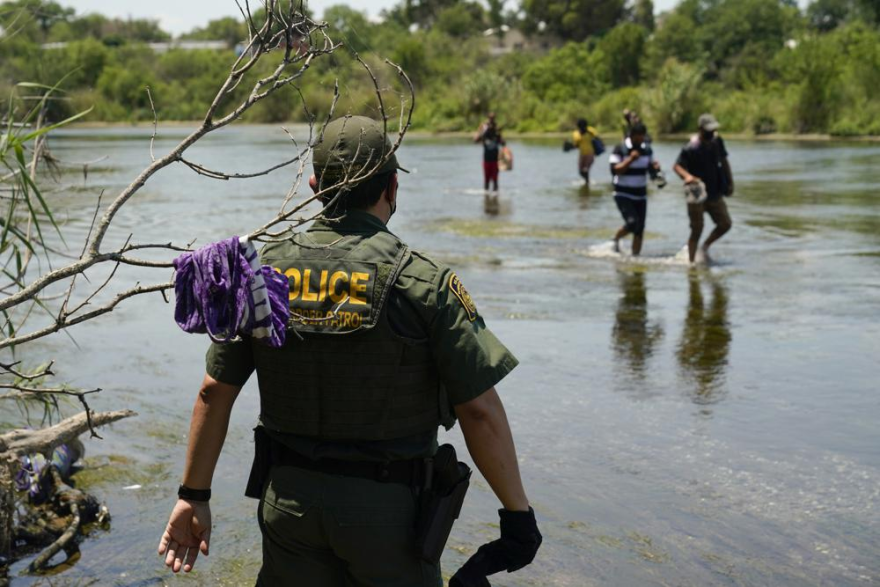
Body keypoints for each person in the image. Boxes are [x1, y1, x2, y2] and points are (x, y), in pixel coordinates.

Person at [157, 116, 541, 586]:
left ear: (316, 187)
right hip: (390, 518)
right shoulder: (424, 283)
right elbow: (479, 411)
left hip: (288, 505)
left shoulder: (260, 275)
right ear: (393, 188)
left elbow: (213, 392)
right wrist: (517, 515)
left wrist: (193, 495)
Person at [673, 113, 734, 264]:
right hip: (696, 191)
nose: (711, 134)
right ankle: (691, 264)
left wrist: (730, 182)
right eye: (708, 131)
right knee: (697, 229)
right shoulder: (690, 148)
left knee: (725, 224)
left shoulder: (717, 142)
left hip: (715, 191)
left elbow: (724, 161)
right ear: (700, 129)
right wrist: (687, 177)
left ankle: (705, 247)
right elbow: (677, 166)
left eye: (713, 130)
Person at [609, 122, 660, 256]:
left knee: (639, 229)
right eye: (638, 137)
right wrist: (630, 159)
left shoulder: (647, 150)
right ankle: (615, 239)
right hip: (622, 193)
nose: (640, 140)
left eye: (642, 137)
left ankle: (635, 258)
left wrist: (655, 168)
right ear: (631, 136)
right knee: (632, 223)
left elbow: (651, 172)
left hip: (641, 194)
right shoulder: (620, 149)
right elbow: (615, 170)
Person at [474, 112, 505, 192]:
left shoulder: (496, 129)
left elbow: (503, 143)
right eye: (490, 119)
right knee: (486, 181)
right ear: (488, 118)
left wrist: (498, 135)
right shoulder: (484, 128)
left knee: (495, 182)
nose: (491, 121)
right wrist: (483, 132)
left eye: (493, 119)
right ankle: (487, 200)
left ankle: (495, 199)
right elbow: (475, 140)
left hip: (495, 160)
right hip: (486, 159)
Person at [571, 118, 600, 184]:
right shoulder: (577, 134)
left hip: (589, 154)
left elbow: (597, 138)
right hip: (583, 154)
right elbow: (576, 145)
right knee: (581, 171)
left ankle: (587, 183)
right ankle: (587, 182)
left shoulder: (590, 131)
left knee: (585, 170)